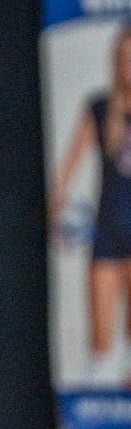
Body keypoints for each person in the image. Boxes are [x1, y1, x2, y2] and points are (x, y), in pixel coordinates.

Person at [50, 25, 131, 383]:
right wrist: (56, 212)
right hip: (108, 231)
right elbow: (68, 167)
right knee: (100, 343)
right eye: (125, 60)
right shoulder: (100, 108)